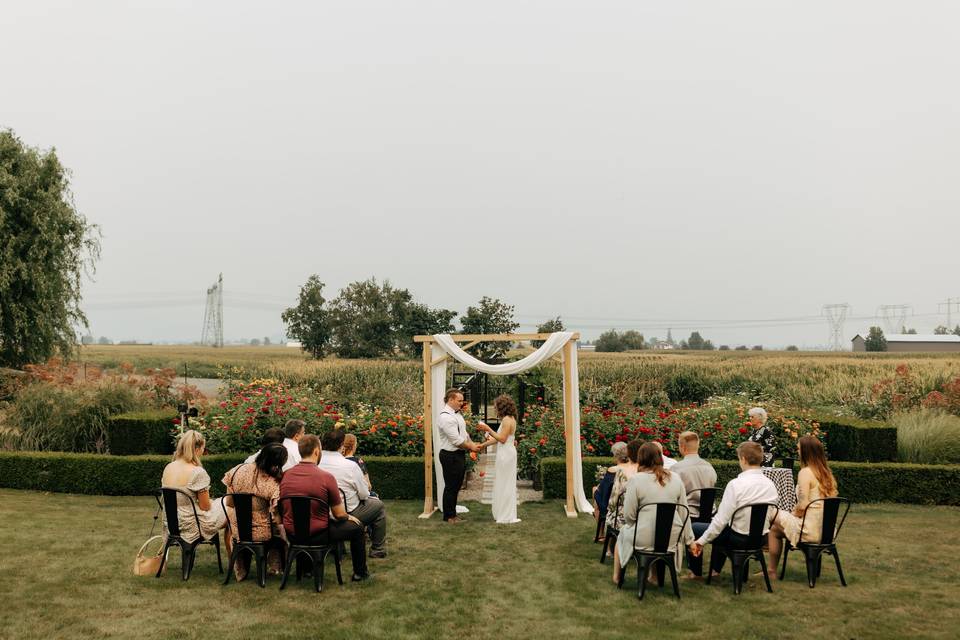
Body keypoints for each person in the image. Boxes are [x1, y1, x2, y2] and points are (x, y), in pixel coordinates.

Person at [279, 435, 371, 581]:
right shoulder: (326, 477)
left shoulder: (286, 475)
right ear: (316, 451)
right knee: (358, 528)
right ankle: (360, 572)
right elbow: (339, 514)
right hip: (319, 533)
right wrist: (348, 516)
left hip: (292, 532)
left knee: (304, 521)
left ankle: (306, 570)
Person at [689, 441, 779, 578]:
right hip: (760, 538)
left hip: (738, 538)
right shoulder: (770, 484)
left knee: (697, 527)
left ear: (743, 459)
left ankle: (695, 573)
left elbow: (720, 520)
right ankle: (715, 570)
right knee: (722, 528)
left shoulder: (736, 484)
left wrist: (701, 541)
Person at [612, 442, 693, 584]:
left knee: (624, 531)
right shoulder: (675, 478)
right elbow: (684, 512)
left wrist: (639, 521)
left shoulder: (636, 480)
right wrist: (689, 540)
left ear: (641, 458)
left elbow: (629, 517)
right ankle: (654, 576)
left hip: (643, 537)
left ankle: (617, 577)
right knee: (656, 528)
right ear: (660, 458)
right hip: (670, 538)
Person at [767, 435, 838, 573]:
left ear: (806, 451)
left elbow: (803, 505)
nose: (797, 452)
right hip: (826, 531)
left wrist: (792, 515)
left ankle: (770, 569)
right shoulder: (826, 473)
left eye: (799, 449)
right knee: (775, 529)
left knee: (772, 514)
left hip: (809, 530)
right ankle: (770, 568)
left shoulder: (805, 473)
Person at [318, 429, 388, 558]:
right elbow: (364, 494)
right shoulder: (350, 466)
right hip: (346, 513)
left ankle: (336, 548)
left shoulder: (316, 464)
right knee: (378, 506)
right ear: (341, 445)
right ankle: (377, 549)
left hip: (320, 512)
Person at [222, 442, 287, 580]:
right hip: (261, 532)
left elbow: (229, 502)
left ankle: (242, 568)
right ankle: (275, 566)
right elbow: (275, 514)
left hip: (238, 529)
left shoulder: (237, 470)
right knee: (278, 532)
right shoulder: (271, 483)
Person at [436, 388, 494, 523]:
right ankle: (449, 516)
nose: (462, 403)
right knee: (451, 486)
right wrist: (472, 447)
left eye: (462, 400)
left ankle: (453, 514)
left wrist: (472, 442)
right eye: (459, 400)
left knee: (456, 486)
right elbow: (456, 440)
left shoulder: (457, 414)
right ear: (450, 400)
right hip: (450, 455)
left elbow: (464, 433)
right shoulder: (445, 417)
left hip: (458, 455)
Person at [160, 430, 228, 544]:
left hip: (171, 523)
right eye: (203, 449)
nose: (203, 452)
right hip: (191, 525)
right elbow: (205, 507)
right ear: (196, 449)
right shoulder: (197, 472)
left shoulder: (169, 467)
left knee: (224, 504)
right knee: (230, 505)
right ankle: (237, 556)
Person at [672, 431, 718, 578]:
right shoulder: (709, 466)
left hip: (688, 514)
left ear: (682, 447)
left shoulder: (677, 469)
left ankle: (694, 571)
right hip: (709, 513)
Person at [477, 394, 521, 524]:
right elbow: (498, 439)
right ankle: (503, 511)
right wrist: (482, 445)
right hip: (506, 452)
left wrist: (487, 428)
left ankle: (506, 515)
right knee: (503, 482)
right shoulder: (508, 419)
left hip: (506, 454)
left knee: (506, 483)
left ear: (502, 407)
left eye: (496, 407)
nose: (495, 409)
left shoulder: (507, 420)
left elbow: (502, 439)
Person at [604, 439, 642, 541]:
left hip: (624, 518)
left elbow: (612, 502)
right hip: (645, 518)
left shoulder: (621, 471)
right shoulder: (653, 473)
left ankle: (611, 547)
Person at [593, 442, 629, 535]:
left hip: (613, 504)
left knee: (595, 493)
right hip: (627, 501)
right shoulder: (633, 468)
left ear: (615, 455)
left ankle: (601, 534)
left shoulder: (613, 469)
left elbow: (604, 490)